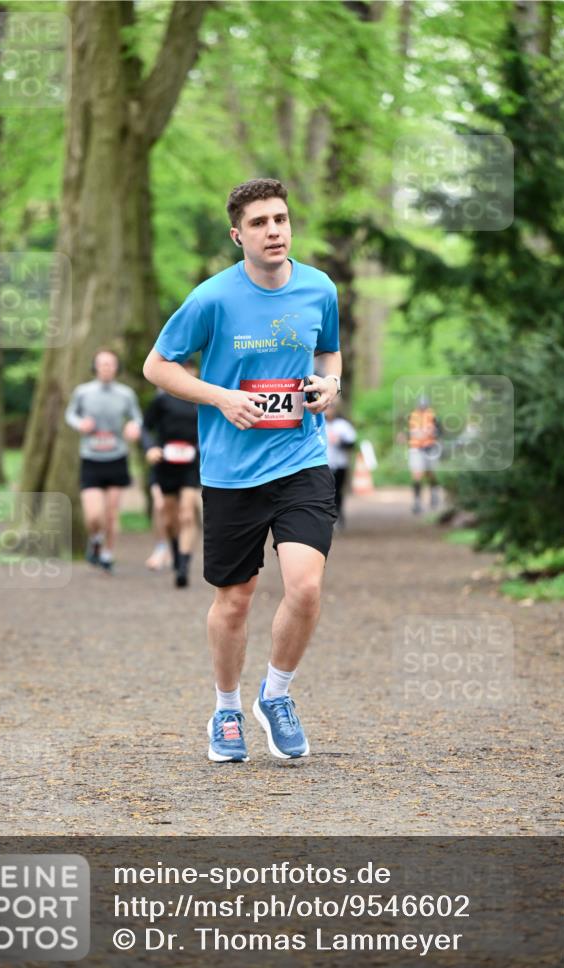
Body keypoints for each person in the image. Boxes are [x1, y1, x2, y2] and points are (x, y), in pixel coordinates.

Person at [143, 177, 341, 763]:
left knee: (305, 587)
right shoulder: (211, 299)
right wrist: (220, 397)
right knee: (237, 598)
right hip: (232, 470)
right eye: (258, 223)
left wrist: (330, 383)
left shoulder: (319, 287)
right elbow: (157, 366)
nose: (273, 230)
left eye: (280, 219)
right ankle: (226, 709)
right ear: (238, 235)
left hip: (302, 457)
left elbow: (329, 349)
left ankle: (275, 695)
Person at [65, 349, 142, 572]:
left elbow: (136, 417)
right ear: (95, 367)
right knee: (94, 515)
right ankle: (95, 539)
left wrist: (133, 426)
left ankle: (108, 553)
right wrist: (80, 424)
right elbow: (70, 414)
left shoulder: (126, 394)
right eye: (103, 364)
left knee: (111, 513)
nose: (107, 368)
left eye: (111, 364)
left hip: (116, 457)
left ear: (116, 368)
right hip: (91, 457)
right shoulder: (83, 392)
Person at [142, 361, 201, 588]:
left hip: (190, 464)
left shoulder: (201, 400)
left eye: (191, 369)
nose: (188, 373)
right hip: (165, 463)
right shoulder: (162, 400)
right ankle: (176, 551)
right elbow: (145, 427)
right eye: (183, 368)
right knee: (169, 517)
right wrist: (150, 448)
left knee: (187, 513)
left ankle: (184, 566)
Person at [407, 395, 442, 514]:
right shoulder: (413, 416)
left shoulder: (433, 415)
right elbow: (409, 432)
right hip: (416, 448)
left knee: (430, 473)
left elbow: (439, 431)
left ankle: (434, 494)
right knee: (417, 475)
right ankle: (417, 502)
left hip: (429, 447)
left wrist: (432, 434)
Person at [325, 401, 357, 527]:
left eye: (331, 408)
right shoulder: (318, 424)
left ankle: (339, 516)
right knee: (325, 493)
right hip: (324, 464)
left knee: (338, 491)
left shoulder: (343, 425)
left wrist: (340, 442)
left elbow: (352, 444)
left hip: (340, 464)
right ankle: (327, 518)